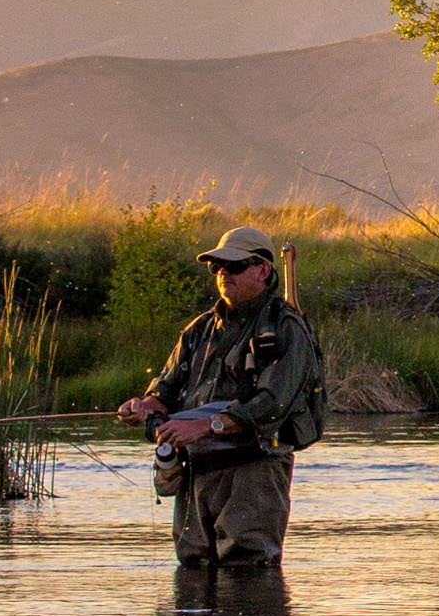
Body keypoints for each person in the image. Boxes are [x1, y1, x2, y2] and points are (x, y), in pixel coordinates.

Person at [118, 227, 322, 568]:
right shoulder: (200, 329)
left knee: (248, 570)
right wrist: (145, 406)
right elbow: (166, 389)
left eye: (235, 266)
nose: (224, 274)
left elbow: (274, 404)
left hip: (253, 472)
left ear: (263, 270)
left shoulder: (285, 328)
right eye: (217, 268)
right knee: (193, 568)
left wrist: (206, 426)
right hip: (196, 473)